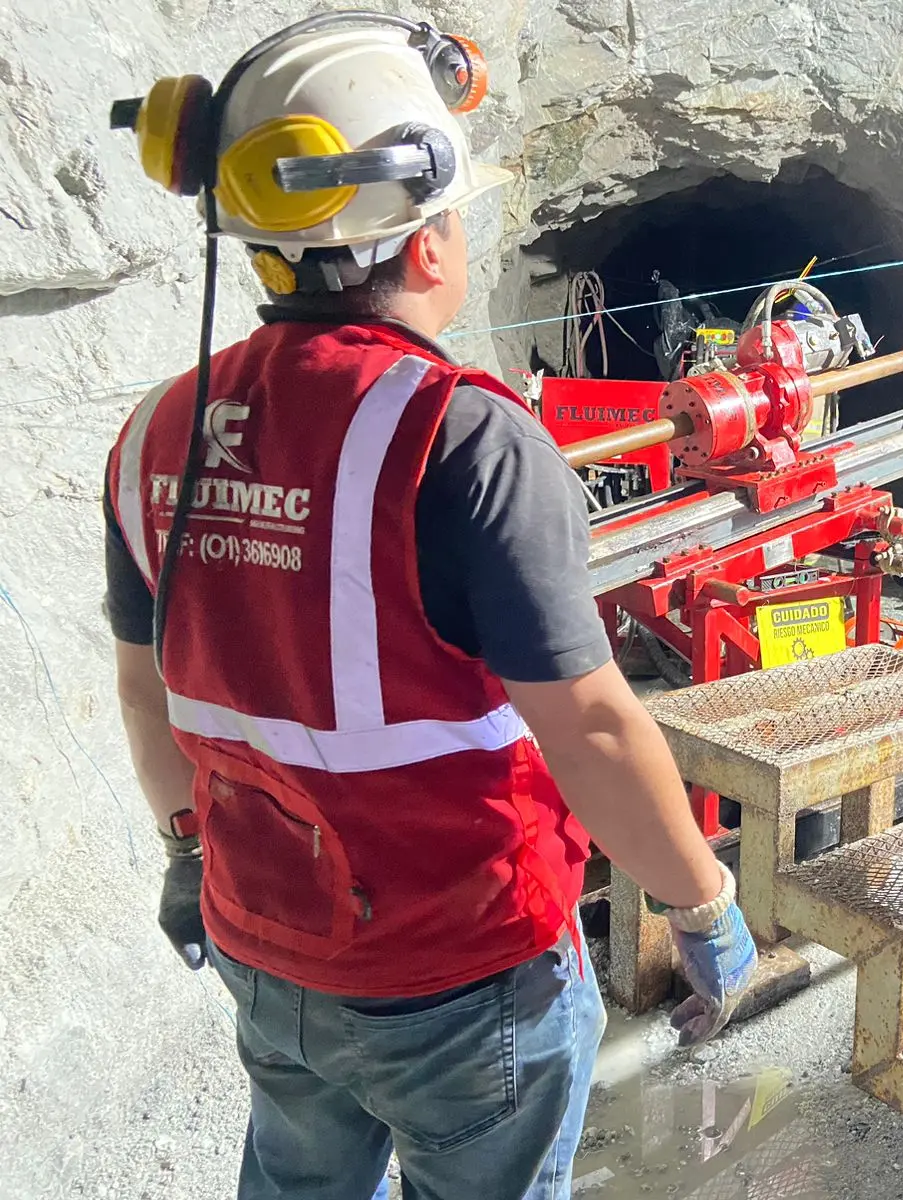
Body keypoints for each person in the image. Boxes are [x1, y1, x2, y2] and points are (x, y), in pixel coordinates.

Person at [103, 15, 755, 1198]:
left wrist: (186, 854)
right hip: (462, 972)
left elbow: (147, 697)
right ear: (425, 237)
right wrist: (700, 902)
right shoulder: (460, 437)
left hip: (268, 944)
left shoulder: (157, 430)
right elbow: (593, 730)